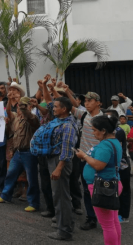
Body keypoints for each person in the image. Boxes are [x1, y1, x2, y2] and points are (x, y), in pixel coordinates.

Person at [75, 115, 123, 245]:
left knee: (107, 225)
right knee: (113, 221)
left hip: (102, 187)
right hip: (111, 184)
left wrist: (84, 155)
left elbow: (98, 165)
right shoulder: (114, 141)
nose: (93, 133)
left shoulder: (105, 145)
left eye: (95, 130)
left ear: (103, 130)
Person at [0, 96, 40, 212]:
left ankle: (33, 203)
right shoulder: (16, 119)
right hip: (18, 152)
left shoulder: (33, 119)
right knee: (11, 175)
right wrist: (13, 149)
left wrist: (23, 104)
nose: (20, 109)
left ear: (29, 107)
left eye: (23, 106)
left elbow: (28, 114)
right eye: (19, 106)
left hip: (29, 153)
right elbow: (15, 134)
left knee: (31, 179)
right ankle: (5, 196)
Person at [67, 91, 103, 230]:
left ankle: (106, 217)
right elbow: (70, 106)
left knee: (102, 189)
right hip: (84, 160)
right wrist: (65, 91)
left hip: (99, 160)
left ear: (98, 102)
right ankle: (91, 218)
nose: (87, 103)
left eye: (90, 101)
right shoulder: (83, 115)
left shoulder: (104, 118)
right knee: (88, 190)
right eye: (85, 101)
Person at [44, 97, 78, 241]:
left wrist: (58, 168)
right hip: (54, 159)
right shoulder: (61, 121)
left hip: (60, 162)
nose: (53, 108)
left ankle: (64, 231)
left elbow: (67, 150)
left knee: (61, 196)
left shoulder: (68, 126)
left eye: (56, 106)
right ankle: (65, 222)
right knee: (60, 194)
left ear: (64, 109)